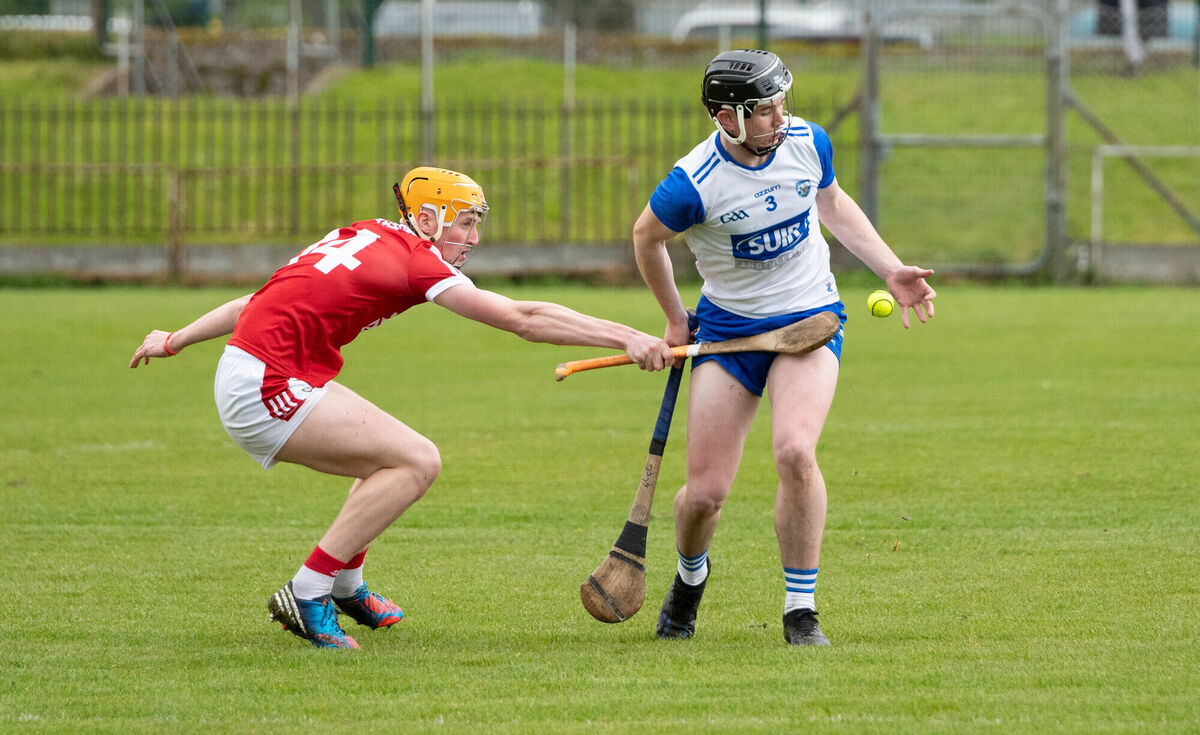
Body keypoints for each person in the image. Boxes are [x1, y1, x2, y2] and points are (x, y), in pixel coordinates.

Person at [129, 167, 674, 650]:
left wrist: (176, 339)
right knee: (417, 462)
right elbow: (522, 317)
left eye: (477, 222)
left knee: (386, 454)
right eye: (465, 223)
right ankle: (309, 589)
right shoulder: (416, 262)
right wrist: (626, 336)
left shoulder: (362, 233)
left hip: (261, 368)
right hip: (265, 383)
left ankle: (344, 585)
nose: (474, 237)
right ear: (430, 219)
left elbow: (256, 301)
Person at [632, 50, 936, 646]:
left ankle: (802, 611)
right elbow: (646, 240)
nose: (779, 118)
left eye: (780, 104)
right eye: (764, 110)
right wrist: (674, 319)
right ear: (727, 117)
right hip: (729, 331)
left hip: (808, 319)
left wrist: (891, 268)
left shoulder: (807, 141)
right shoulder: (692, 183)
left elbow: (831, 202)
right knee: (704, 497)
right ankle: (691, 577)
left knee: (796, 451)